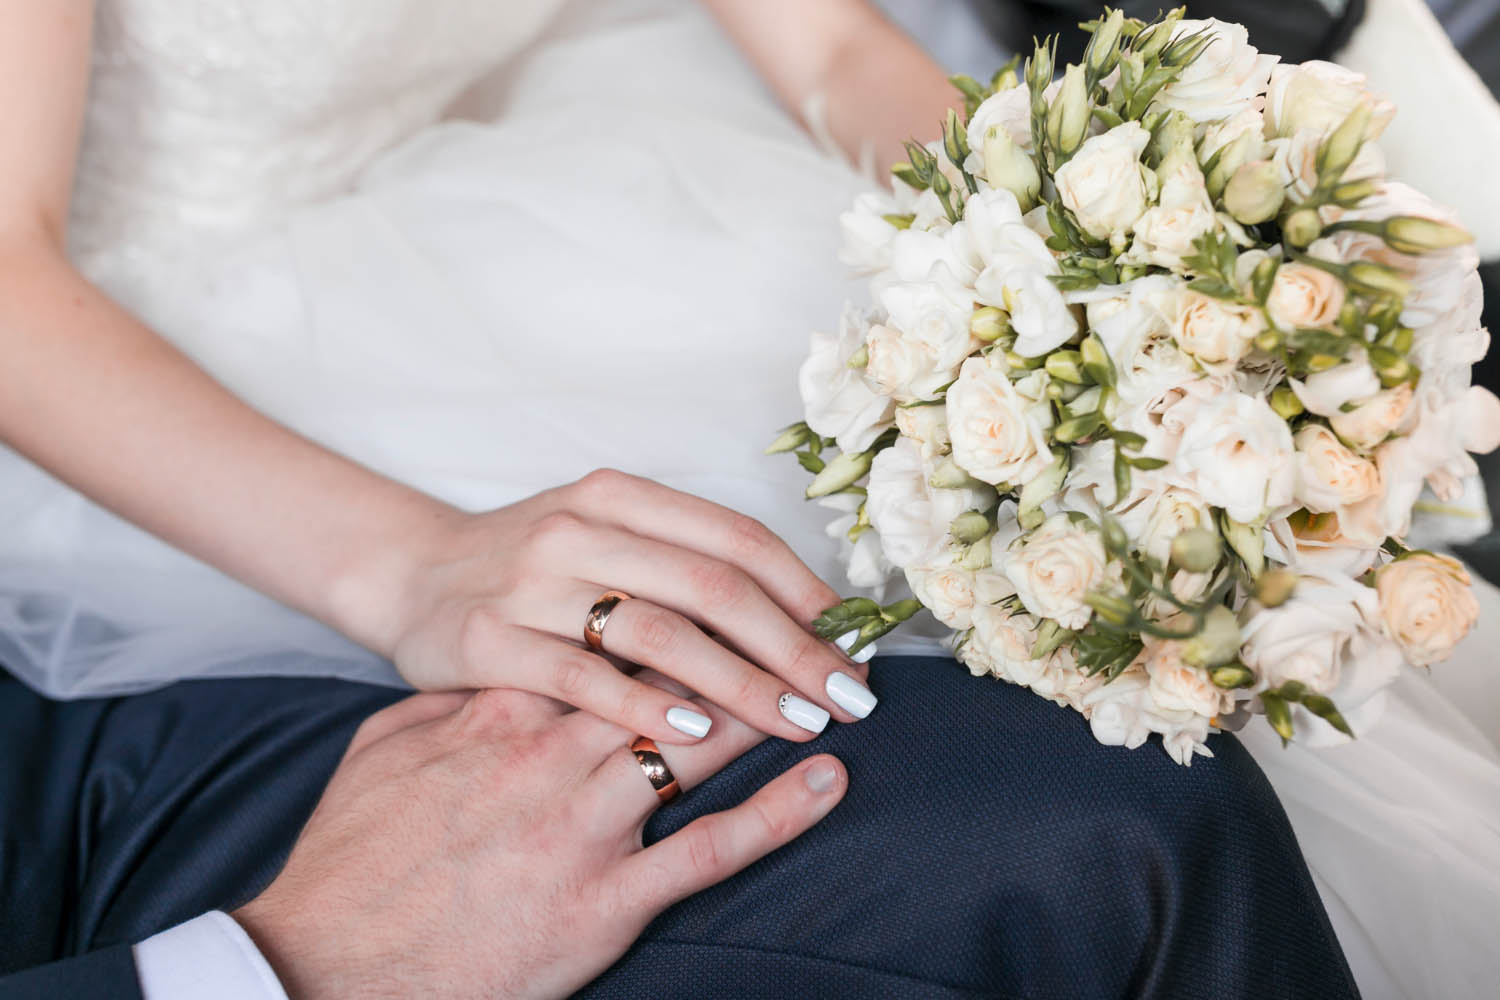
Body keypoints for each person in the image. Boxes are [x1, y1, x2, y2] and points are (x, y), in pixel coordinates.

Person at [0, 0, 1487, 995]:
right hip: (145, 366)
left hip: (560, 200)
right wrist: (415, 566)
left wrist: (1078, 280)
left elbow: (832, 44)